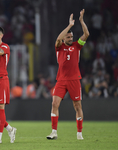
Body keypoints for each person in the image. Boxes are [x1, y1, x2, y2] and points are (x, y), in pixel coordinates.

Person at [46, 9, 89, 140]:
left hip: (74, 79)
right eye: (68, 37)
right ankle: (54, 132)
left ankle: (79, 133)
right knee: (54, 104)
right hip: (61, 80)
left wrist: (81, 21)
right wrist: (69, 25)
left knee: (77, 106)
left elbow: (86, 34)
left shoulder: (77, 46)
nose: (70, 39)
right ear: (65, 38)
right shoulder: (59, 46)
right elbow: (58, 38)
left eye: (71, 37)